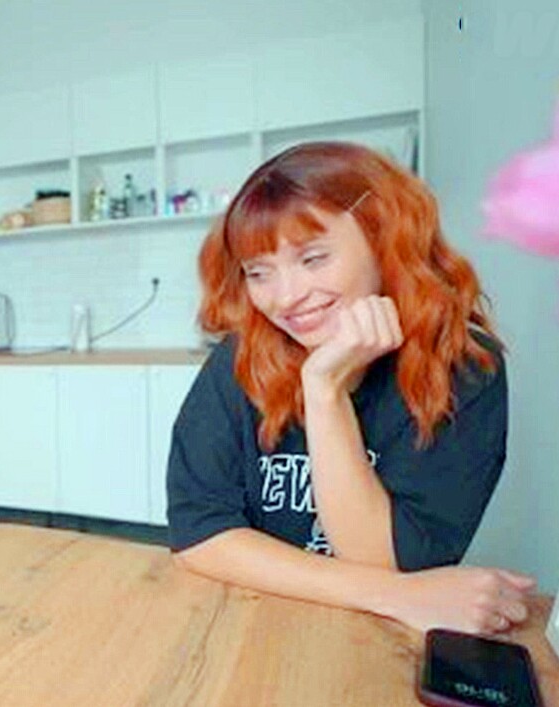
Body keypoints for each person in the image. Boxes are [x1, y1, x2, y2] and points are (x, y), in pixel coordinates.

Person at [167, 141, 536, 636]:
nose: (286, 298)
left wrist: (324, 393)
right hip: (251, 620)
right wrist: (397, 594)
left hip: (373, 638)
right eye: (258, 272)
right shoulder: (243, 357)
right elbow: (199, 535)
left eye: (313, 258)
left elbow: (385, 561)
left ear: (384, 239)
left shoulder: (462, 368)